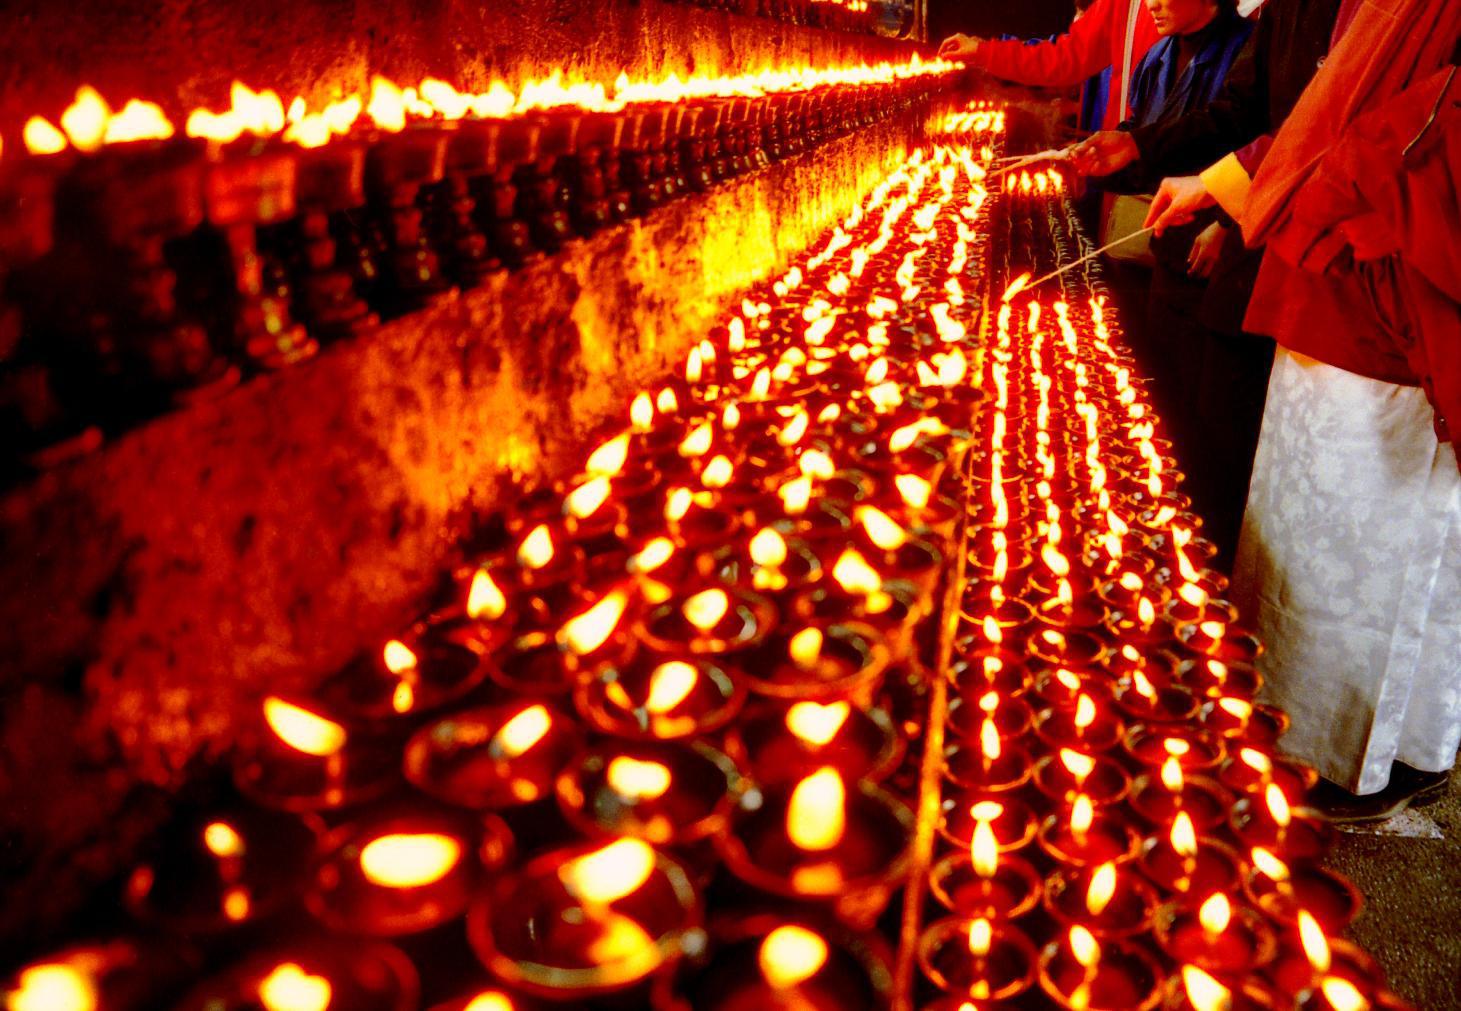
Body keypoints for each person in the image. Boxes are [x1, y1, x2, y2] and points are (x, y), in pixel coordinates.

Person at [1078, 0, 1461, 820]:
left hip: (1383, 270)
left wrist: (1252, 187)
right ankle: (1380, 737)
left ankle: (1346, 756)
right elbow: (1310, 108)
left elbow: (1378, 120)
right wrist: (1218, 176)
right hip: (1328, 264)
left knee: (1377, 531)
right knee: (1327, 523)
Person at [1068, 0, 1343, 573]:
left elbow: (1342, 120)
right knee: (1183, 421)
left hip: (1326, 272)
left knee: (1241, 443)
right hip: (1251, 261)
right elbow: (1236, 113)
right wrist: (1139, 145)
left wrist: (1225, 198)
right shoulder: (1279, 15)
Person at [1096, 0, 1253, 464]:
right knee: (1158, 382)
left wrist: (1226, 222)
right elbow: (1143, 131)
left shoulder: (1246, 50)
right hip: (1166, 242)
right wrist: (1101, 158)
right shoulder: (1158, 56)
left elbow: (1248, 137)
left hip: (1221, 254)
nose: (1152, 4)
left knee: (1208, 408)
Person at [938, 0, 1160, 130]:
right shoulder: (1123, 5)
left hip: (1153, 167)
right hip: (1125, 166)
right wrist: (983, 52)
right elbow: (1068, 56)